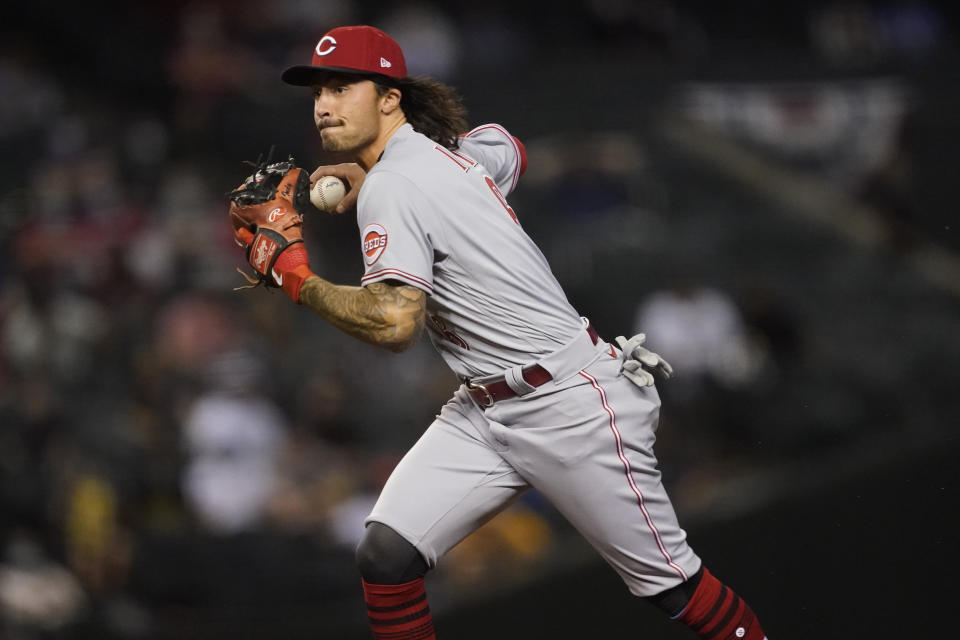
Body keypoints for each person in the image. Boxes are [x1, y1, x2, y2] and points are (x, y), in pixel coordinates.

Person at [248, 25, 769, 640]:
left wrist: (293, 276)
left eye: (343, 88)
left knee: (675, 589)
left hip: (573, 404)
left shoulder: (394, 185)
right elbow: (509, 148)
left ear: (389, 97)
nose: (325, 105)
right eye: (317, 94)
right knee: (386, 556)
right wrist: (389, 175)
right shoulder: (449, 156)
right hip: (485, 408)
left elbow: (393, 325)